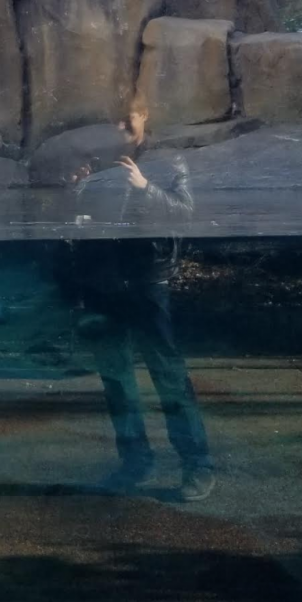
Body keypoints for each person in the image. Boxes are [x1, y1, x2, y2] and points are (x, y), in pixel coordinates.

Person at [59, 108, 215, 502]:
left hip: (146, 280)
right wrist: (75, 193)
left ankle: (196, 464)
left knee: (167, 374)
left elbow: (185, 213)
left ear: (146, 117)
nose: (118, 129)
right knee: (116, 378)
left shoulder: (167, 160)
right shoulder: (95, 162)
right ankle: (134, 461)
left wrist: (146, 187)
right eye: (113, 121)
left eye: (127, 121)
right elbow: (77, 224)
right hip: (102, 282)